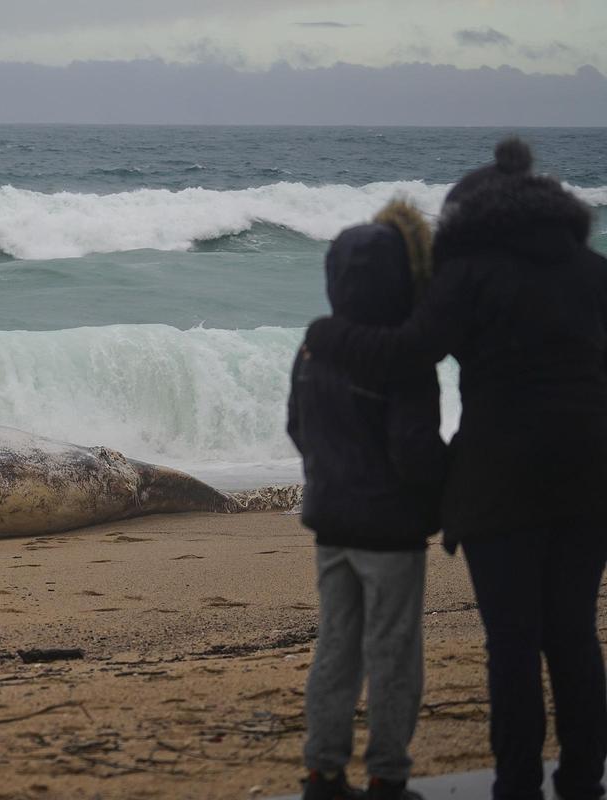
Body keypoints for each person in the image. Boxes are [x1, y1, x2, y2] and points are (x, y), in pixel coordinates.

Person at [305, 138, 607, 800]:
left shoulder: (468, 275)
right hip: (592, 480)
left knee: (514, 644)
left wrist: (327, 339)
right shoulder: (593, 272)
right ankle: (584, 779)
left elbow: (407, 353)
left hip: (500, 486)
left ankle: (518, 784)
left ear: (469, 220)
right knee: (575, 634)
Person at [289, 198, 445, 800]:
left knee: (335, 648)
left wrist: (327, 475)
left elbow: (297, 426)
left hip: (331, 522)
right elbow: (415, 450)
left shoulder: (312, 349)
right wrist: (435, 503)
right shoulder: (403, 357)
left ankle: (322, 771)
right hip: (390, 531)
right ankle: (387, 774)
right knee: (393, 655)